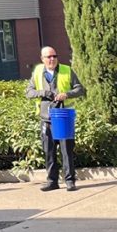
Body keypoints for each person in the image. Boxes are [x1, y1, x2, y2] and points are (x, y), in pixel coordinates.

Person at [25, 46, 85, 191]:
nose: (52, 59)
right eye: (49, 57)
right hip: (46, 118)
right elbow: (29, 92)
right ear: (42, 59)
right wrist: (43, 92)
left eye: (54, 56)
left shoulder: (67, 70)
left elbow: (80, 89)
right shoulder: (38, 72)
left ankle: (70, 181)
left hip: (63, 117)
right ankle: (52, 181)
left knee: (66, 150)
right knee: (49, 151)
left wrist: (67, 94)